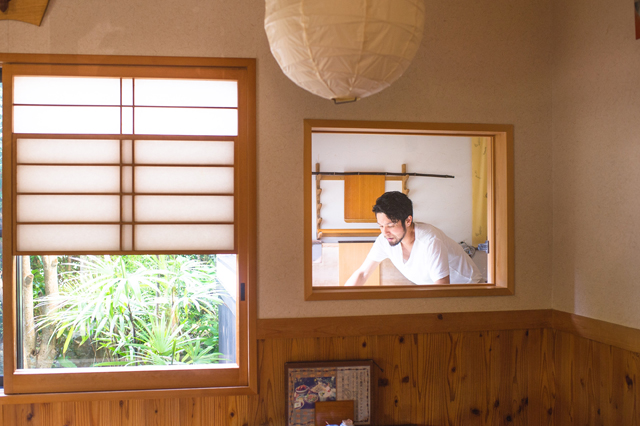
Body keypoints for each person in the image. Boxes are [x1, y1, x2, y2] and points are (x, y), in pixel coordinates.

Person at [344, 191, 482, 286]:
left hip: (469, 290)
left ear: (408, 220)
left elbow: (442, 288)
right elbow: (362, 273)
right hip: (437, 293)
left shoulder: (430, 241)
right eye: (380, 226)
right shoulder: (385, 240)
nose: (385, 232)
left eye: (391, 225)